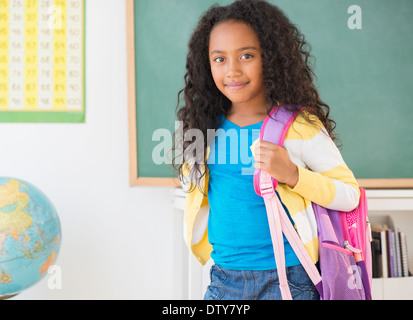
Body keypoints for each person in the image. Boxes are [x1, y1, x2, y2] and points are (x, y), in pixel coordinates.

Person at [172, 0, 360, 300]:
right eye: (219, 59)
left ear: (270, 58)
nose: (232, 70)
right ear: (206, 65)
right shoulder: (202, 127)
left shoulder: (298, 126)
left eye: (246, 55)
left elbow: (350, 195)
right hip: (223, 279)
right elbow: (199, 191)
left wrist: (294, 175)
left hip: (290, 279)